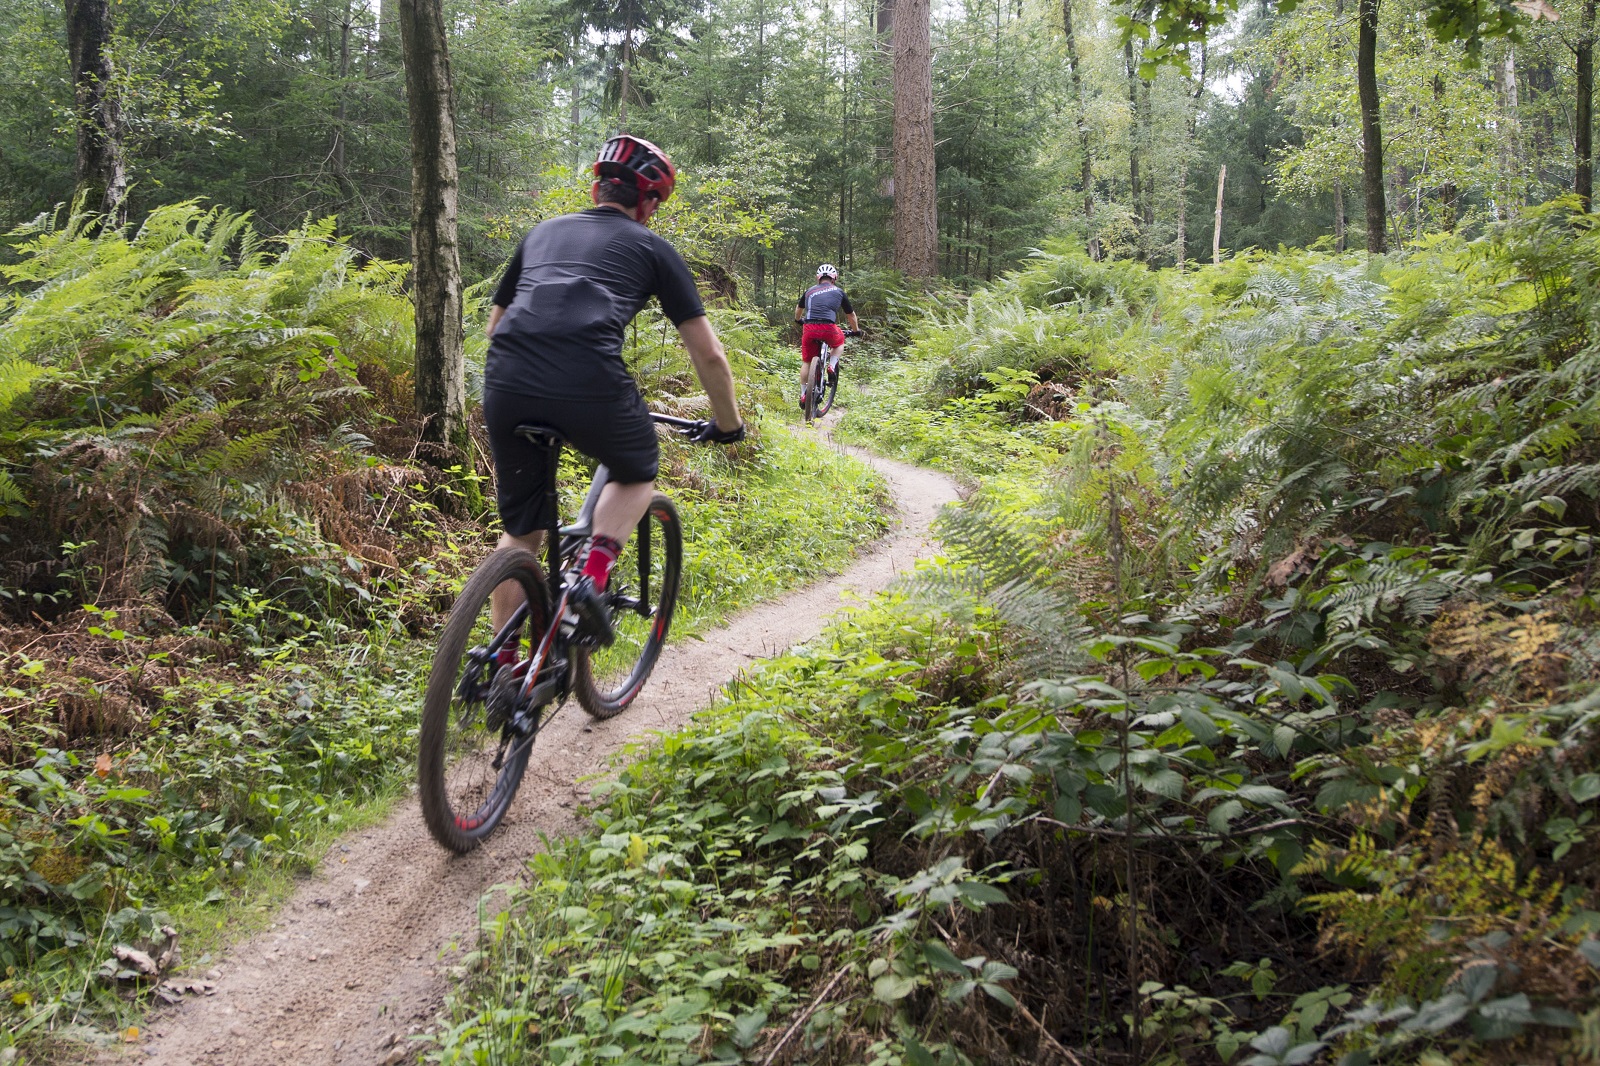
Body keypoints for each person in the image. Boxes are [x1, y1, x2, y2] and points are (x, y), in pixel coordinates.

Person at [483, 134, 745, 648]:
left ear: (598, 187)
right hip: (587, 377)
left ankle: (505, 668)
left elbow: (495, 326)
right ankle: (591, 575)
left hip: (506, 378)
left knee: (521, 532)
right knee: (638, 466)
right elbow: (709, 354)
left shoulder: (542, 233)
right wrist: (729, 424)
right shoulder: (651, 247)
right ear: (646, 201)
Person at [793, 263, 859, 408]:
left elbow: (799, 309)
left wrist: (798, 320)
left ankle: (803, 394)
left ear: (818, 278)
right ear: (834, 278)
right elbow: (851, 315)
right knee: (840, 341)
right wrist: (855, 330)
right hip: (828, 327)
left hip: (809, 327)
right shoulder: (839, 292)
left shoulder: (809, 291)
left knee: (806, 362)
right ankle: (832, 365)